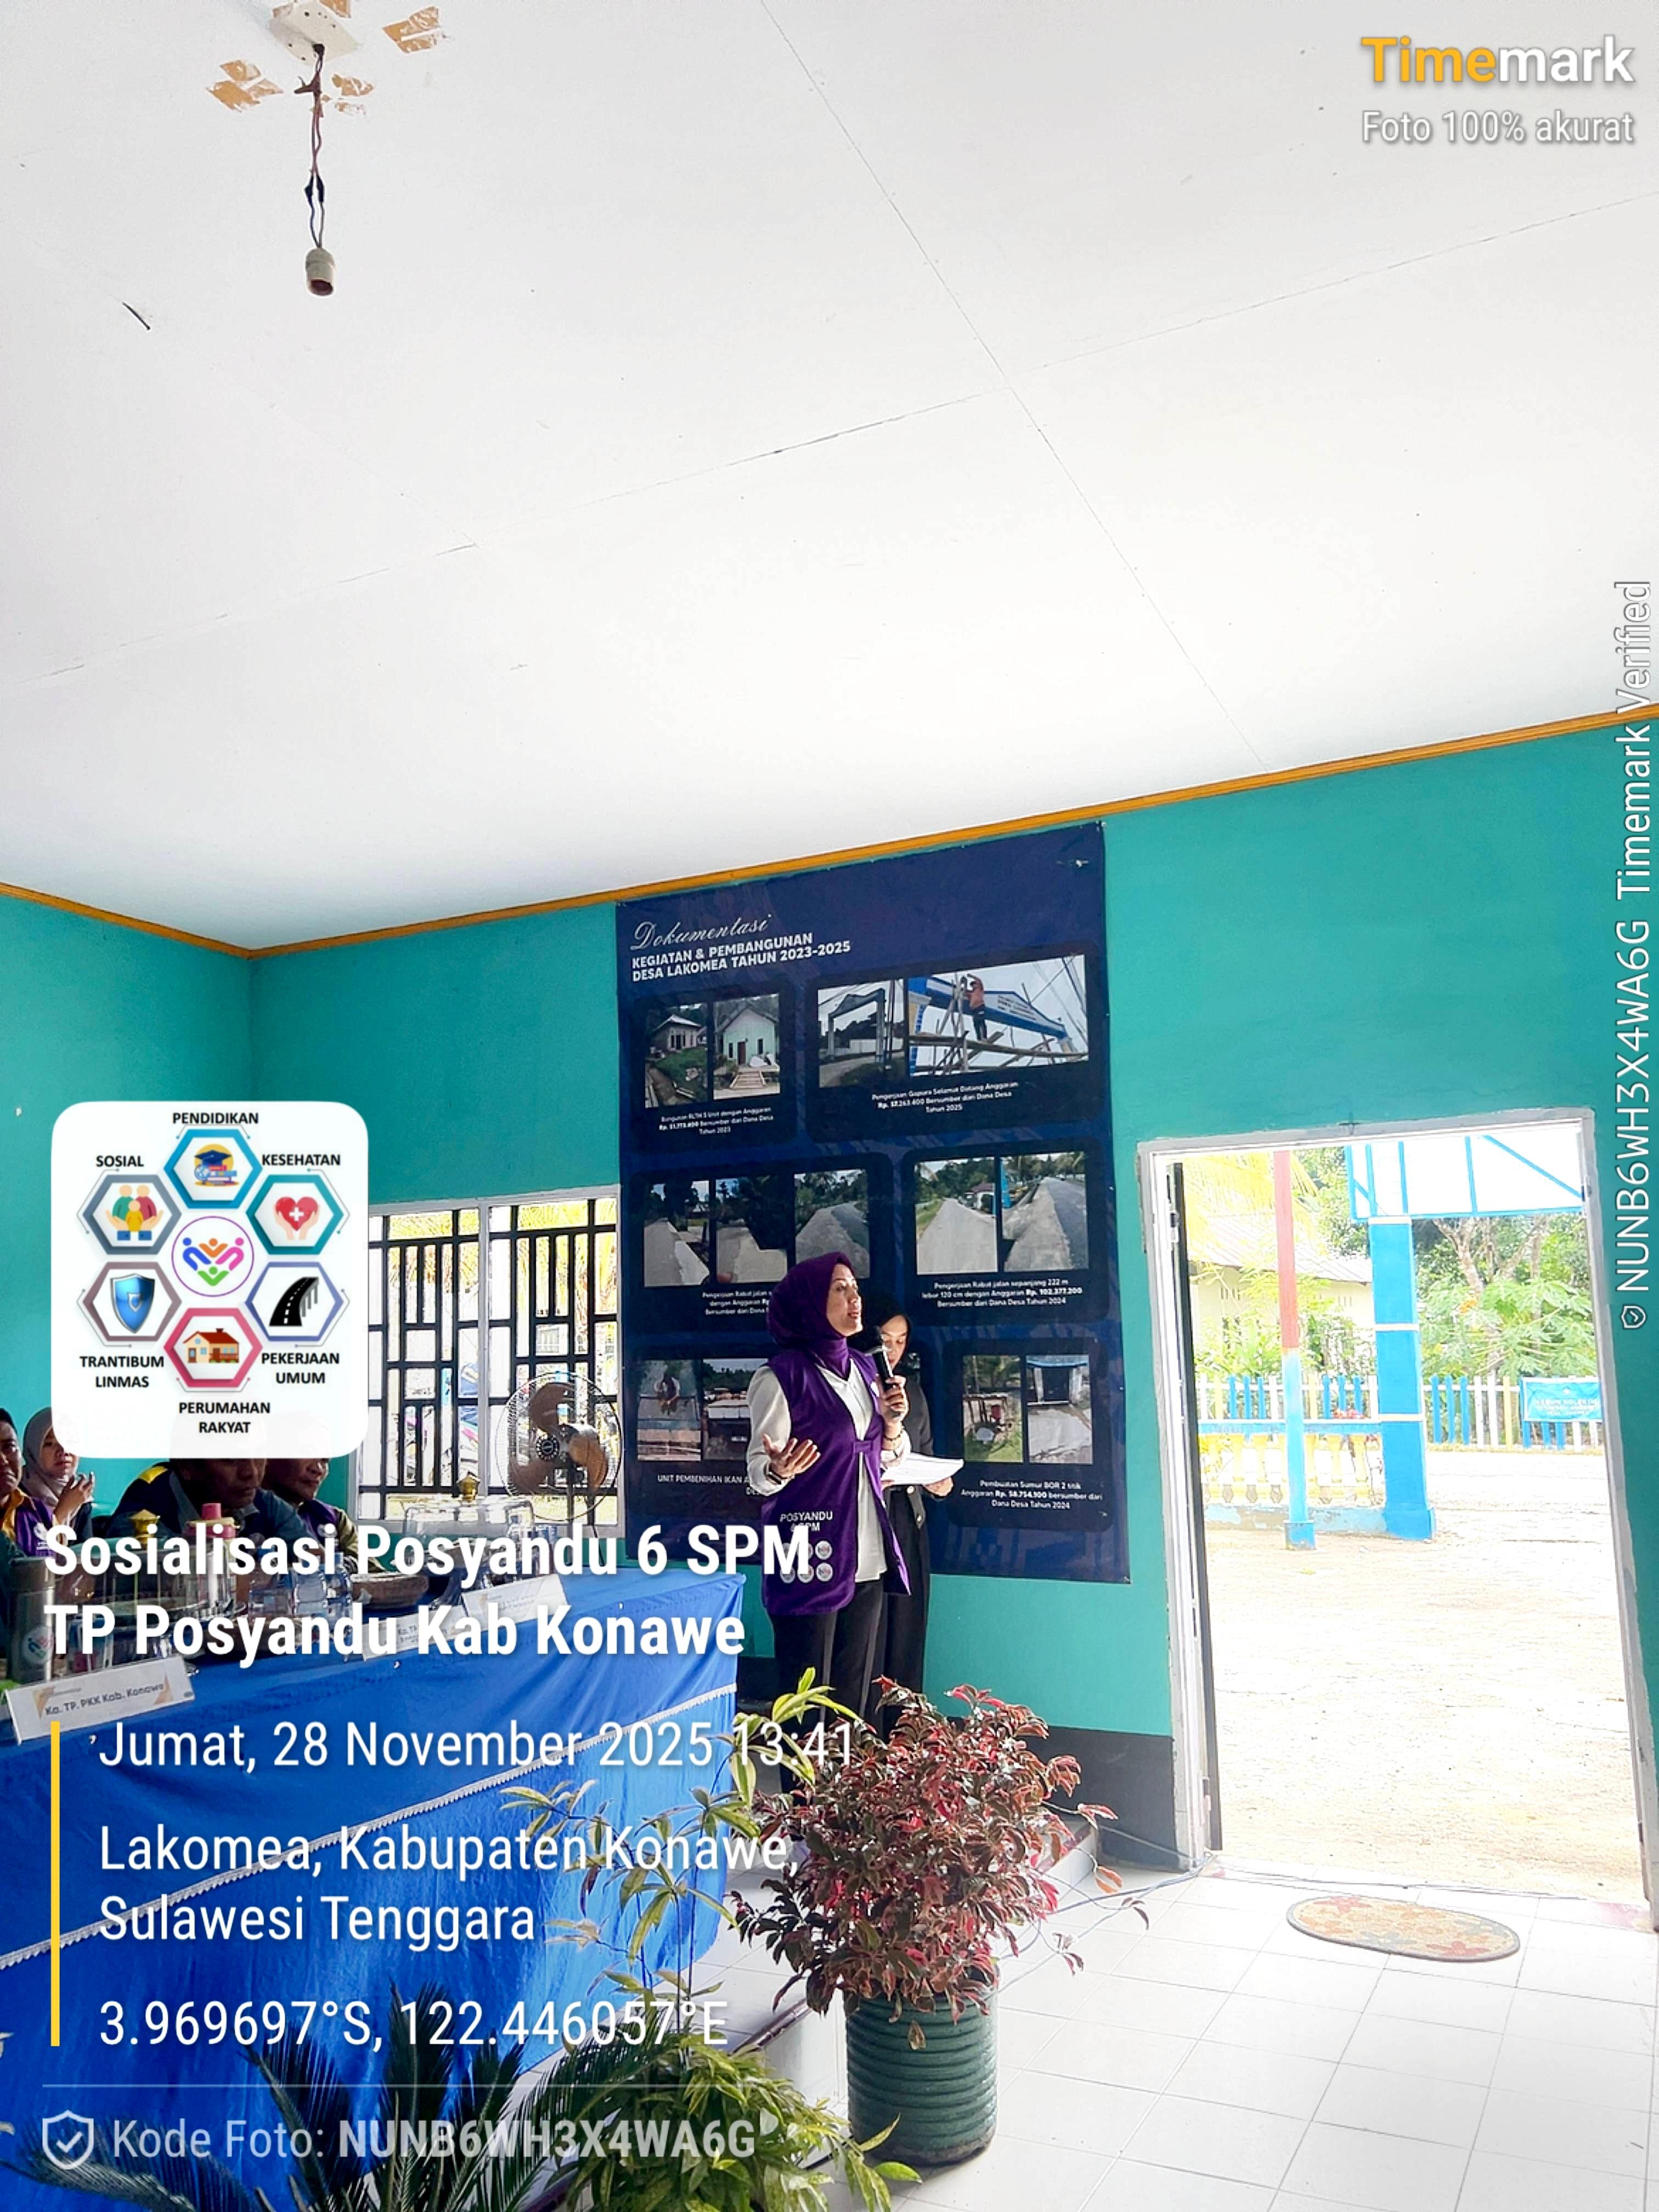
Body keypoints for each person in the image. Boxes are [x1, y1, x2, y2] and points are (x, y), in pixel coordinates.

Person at [746, 1254, 911, 1722]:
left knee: (850, 1706)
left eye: (855, 1288)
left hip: (866, 1553)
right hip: (808, 1553)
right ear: (810, 1301)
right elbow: (757, 1473)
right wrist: (778, 1470)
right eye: (840, 1289)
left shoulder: (866, 1369)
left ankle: (844, 1776)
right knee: (805, 1706)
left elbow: (887, 1459)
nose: (854, 1298)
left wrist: (892, 1425)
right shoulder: (781, 1376)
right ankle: (801, 1777)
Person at [861, 1297, 954, 1698]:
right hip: (866, 1519)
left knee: (907, 1628)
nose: (894, 1350)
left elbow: (926, 1453)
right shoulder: (852, 1389)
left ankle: (904, 1721)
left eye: (901, 1341)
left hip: (908, 1518)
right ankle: (866, 1722)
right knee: (870, 1629)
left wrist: (939, 1484)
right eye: (886, 1339)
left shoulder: (911, 1389)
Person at [109, 1458, 308, 1543]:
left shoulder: (262, 1502)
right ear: (187, 1465)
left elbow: (316, 1563)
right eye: (231, 1459)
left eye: (258, 1454)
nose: (252, 1472)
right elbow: (175, 1585)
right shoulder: (142, 1513)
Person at [14, 1409, 95, 1555]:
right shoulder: (17, 1496)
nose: (64, 1451)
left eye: (70, 1442)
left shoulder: (80, 1496)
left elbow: (86, 1559)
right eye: (50, 1444)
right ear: (34, 1450)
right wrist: (64, 1510)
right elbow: (33, 1559)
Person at [262, 1458, 359, 1568]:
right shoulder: (248, 1519)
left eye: (325, 1461)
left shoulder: (335, 1520)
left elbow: (370, 1570)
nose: (318, 1470)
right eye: (306, 1455)